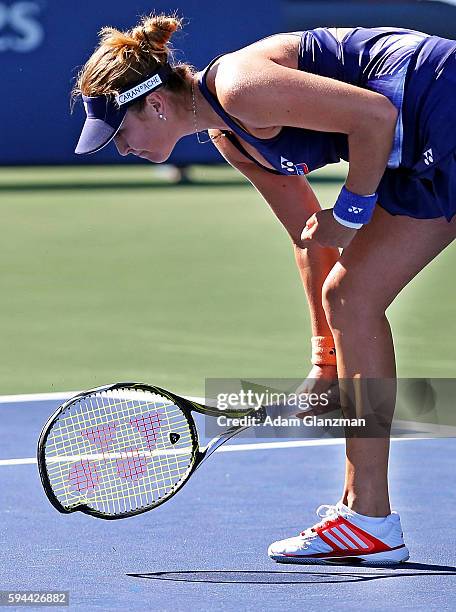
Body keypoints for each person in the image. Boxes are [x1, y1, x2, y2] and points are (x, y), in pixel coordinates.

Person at [73, 14, 456, 565]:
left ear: (154, 105)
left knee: (354, 294)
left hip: (440, 101)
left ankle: (367, 513)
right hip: (419, 146)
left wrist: (350, 211)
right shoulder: (234, 139)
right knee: (350, 297)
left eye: (120, 134)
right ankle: (368, 518)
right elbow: (308, 240)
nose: (122, 149)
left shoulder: (240, 87)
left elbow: (376, 116)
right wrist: (326, 361)